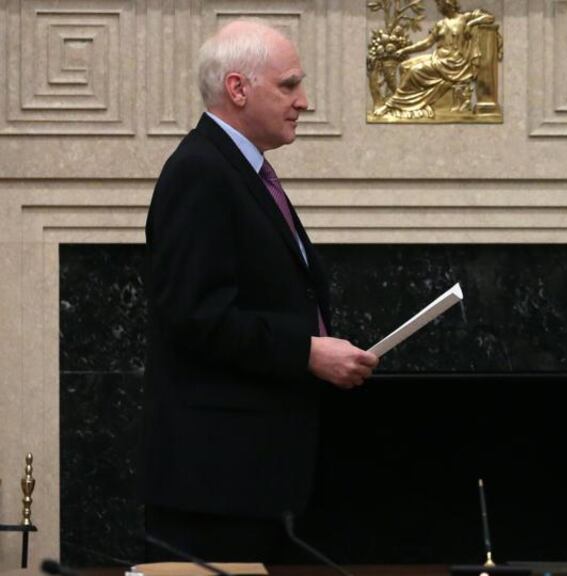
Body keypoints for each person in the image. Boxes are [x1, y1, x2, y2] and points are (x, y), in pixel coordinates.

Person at [143, 20, 378, 562]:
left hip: (254, 475)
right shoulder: (200, 172)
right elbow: (195, 317)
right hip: (216, 486)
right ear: (238, 88)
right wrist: (307, 352)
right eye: (289, 85)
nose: (305, 101)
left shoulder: (242, 171)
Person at [373, 0, 494, 119]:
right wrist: (405, 50)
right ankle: (407, 104)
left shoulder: (465, 18)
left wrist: (471, 23)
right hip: (438, 59)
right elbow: (426, 43)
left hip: (453, 64)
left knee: (413, 71)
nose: (438, 7)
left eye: (439, 4)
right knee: (405, 65)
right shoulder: (440, 24)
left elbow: (490, 18)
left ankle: (391, 105)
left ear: (448, 3)